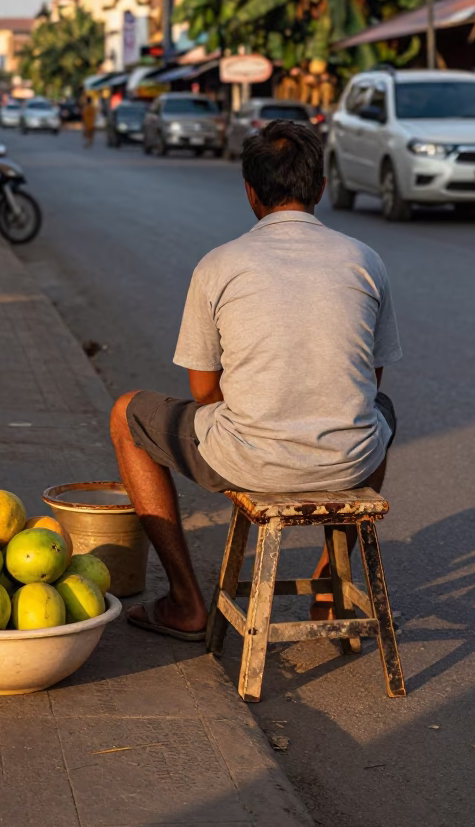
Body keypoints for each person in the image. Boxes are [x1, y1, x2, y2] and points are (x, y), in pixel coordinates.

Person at [110, 120, 401, 641]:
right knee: (381, 411)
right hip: (349, 459)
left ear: (250, 191)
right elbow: (367, 379)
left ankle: (185, 602)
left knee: (126, 412)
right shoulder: (365, 260)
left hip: (247, 460)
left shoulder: (219, 265)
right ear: (321, 187)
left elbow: (202, 393)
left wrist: (259, 404)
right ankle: (329, 587)